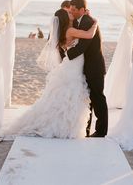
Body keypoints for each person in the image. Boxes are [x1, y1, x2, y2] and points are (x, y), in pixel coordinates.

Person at [10, 8, 98, 138]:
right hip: (73, 67)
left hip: (72, 65)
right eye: (68, 13)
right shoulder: (70, 31)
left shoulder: (65, 31)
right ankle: (66, 126)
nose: (71, 13)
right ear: (64, 18)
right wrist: (95, 22)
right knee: (69, 95)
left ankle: (65, 124)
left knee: (65, 96)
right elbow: (90, 35)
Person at [67, 0, 108, 137]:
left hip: (94, 68)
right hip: (89, 67)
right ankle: (86, 130)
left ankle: (101, 131)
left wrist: (68, 53)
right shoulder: (82, 20)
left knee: (98, 99)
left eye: (74, 9)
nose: (71, 12)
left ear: (82, 10)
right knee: (89, 100)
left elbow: (82, 46)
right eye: (70, 9)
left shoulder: (87, 21)